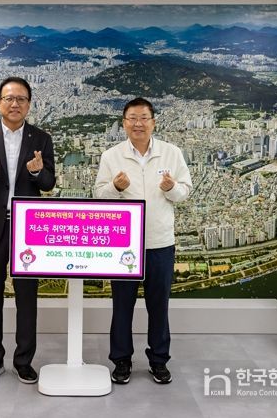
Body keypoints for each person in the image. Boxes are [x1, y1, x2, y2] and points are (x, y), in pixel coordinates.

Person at [0, 77, 56, 385]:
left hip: (28, 228)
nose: (15, 104)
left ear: (29, 105)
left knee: (27, 298)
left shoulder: (41, 138)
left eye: (21, 99)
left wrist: (37, 172)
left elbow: (49, 183)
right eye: (9, 98)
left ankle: (24, 361)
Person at [94, 97, 192, 385]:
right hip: (123, 245)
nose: (138, 123)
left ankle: (159, 360)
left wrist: (171, 188)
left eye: (144, 118)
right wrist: (115, 187)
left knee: (159, 306)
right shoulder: (111, 156)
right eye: (132, 118)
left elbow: (185, 191)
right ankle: (121, 360)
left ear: (153, 122)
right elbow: (99, 195)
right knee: (121, 306)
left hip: (160, 242)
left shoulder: (171, 153)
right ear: (124, 123)